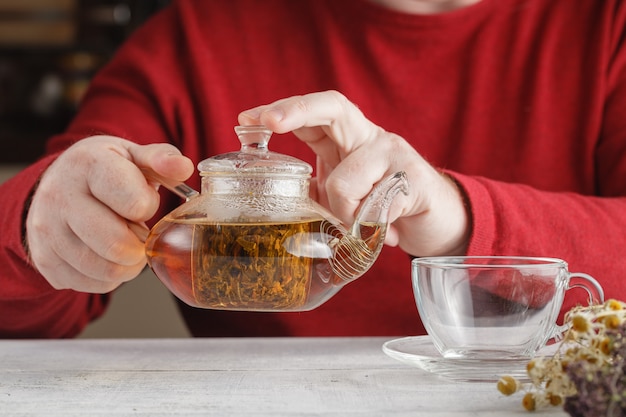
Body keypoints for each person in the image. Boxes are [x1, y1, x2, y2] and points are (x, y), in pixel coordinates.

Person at [1, 0, 624, 338]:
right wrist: (41, 217)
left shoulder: (608, 25)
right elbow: (27, 288)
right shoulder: (191, 38)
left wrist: (457, 214)